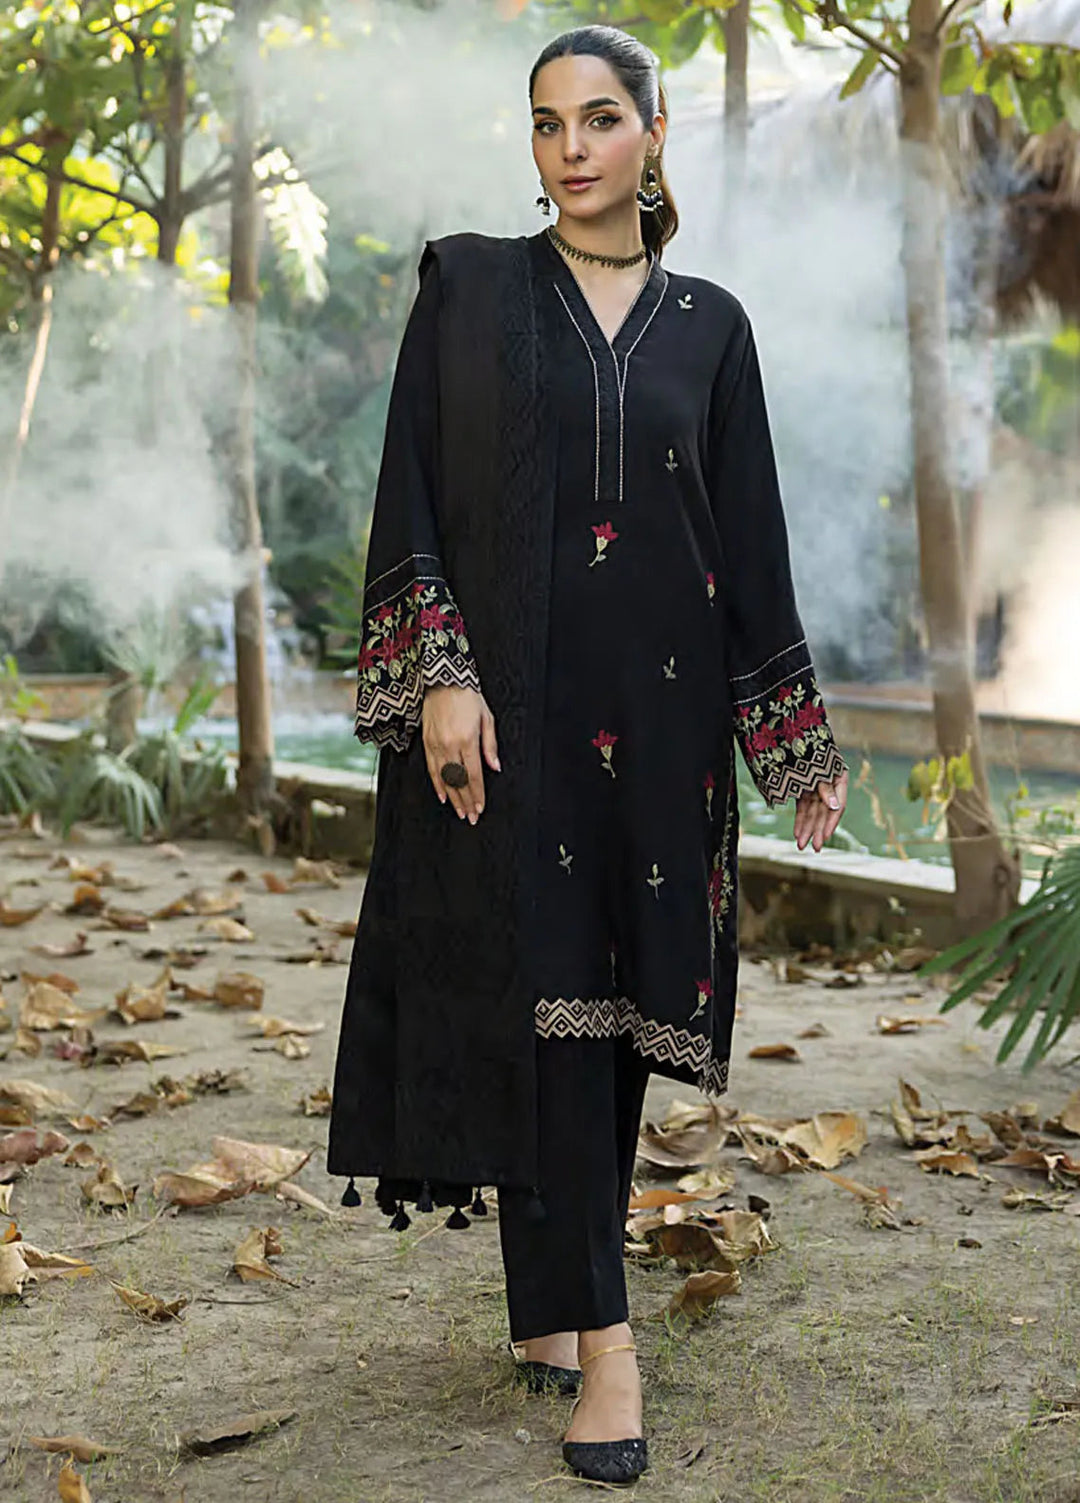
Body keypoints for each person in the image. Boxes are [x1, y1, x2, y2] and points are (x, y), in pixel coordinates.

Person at [327, 23, 848, 1486]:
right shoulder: (473, 294)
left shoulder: (712, 327)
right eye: (549, 123)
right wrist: (441, 676)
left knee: (615, 1014)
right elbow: (411, 491)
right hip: (515, 712)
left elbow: (749, 539)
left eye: (602, 118)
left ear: (654, 131)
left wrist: (790, 734)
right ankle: (607, 1347)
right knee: (542, 995)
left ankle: (551, 1295)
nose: (572, 147)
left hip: (666, 725)